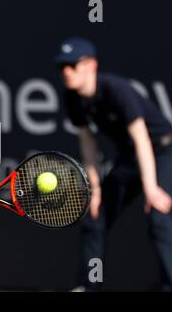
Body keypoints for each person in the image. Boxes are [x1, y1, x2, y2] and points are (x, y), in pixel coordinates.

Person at [55, 37, 172, 291]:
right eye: (63, 66)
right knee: (95, 216)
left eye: (73, 65)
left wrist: (151, 189)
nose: (66, 71)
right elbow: (88, 142)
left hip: (163, 151)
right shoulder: (72, 98)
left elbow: (142, 139)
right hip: (130, 158)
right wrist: (95, 188)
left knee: (160, 218)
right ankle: (88, 286)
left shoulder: (116, 89)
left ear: (91, 65)